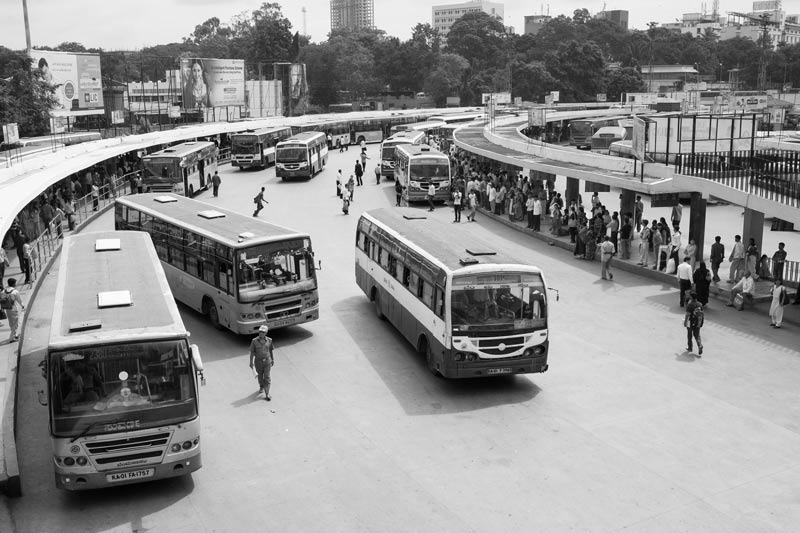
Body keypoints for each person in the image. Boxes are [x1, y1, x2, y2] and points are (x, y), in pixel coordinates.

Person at [248, 325, 274, 400]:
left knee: (267, 377)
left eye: (263, 332)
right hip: (258, 361)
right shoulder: (254, 341)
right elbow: (252, 352)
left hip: (267, 361)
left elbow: (271, 350)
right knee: (260, 376)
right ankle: (261, 386)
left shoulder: (269, 340)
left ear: (266, 333)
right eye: (260, 331)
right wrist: (251, 362)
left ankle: (267, 393)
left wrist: (272, 359)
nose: (261, 333)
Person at [2, 278, 24, 343]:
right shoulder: (15, 291)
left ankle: (15, 334)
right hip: (13, 309)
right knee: (15, 324)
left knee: (11, 323)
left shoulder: (3, 291)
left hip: (7, 309)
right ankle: (11, 338)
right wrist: (22, 306)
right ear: (13, 284)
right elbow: (19, 300)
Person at [684, 291, 704, 356]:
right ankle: (700, 345)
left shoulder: (689, 305)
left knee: (689, 335)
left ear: (691, 297)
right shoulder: (700, 304)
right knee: (697, 335)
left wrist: (685, 322)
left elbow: (687, 314)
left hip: (690, 322)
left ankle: (690, 348)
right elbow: (702, 313)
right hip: (698, 322)